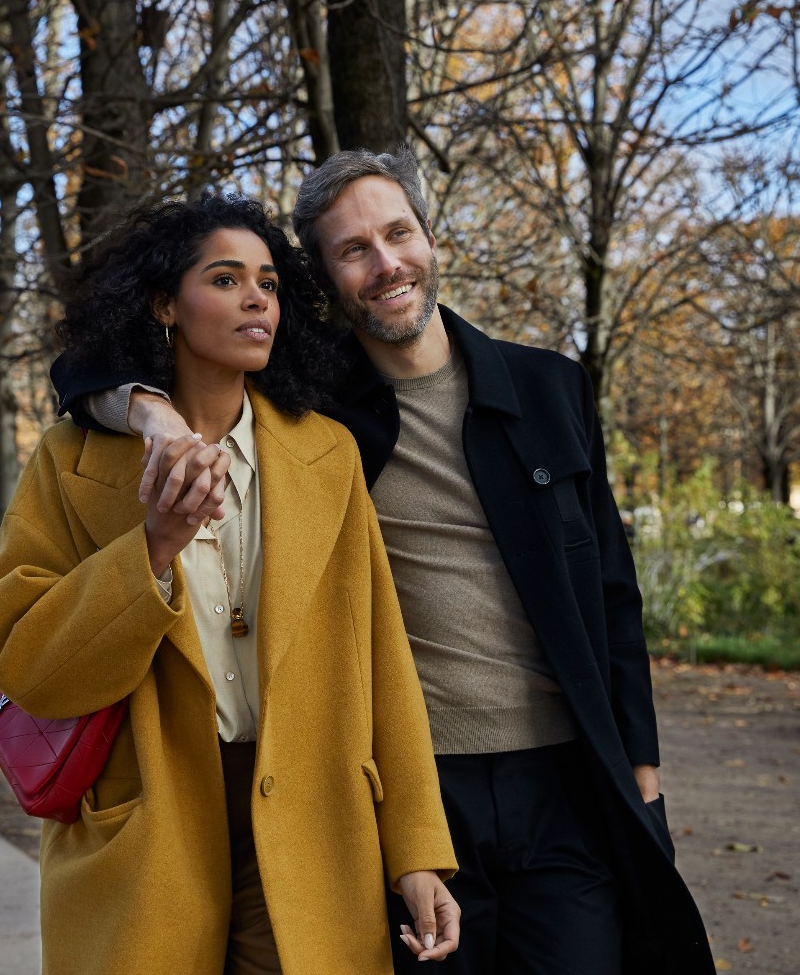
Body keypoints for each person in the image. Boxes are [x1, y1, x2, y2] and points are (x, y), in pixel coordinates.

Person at [52, 150, 715, 975]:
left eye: (398, 233)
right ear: (325, 280)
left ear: (431, 238)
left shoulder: (550, 388)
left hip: (566, 780)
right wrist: (148, 412)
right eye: (352, 250)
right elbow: (89, 365)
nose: (386, 263)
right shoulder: (316, 410)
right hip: (409, 784)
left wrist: (642, 783)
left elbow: (614, 593)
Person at [0, 193, 459, 975]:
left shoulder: (326, 456)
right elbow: (25, 662)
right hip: (147, 825)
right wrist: (153, 548)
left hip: (313, 817)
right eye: (226, 280)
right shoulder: (72, 460)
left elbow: (382, 664)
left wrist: (417, 850)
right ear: (166, 304)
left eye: (267, 282)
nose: (256, 298)